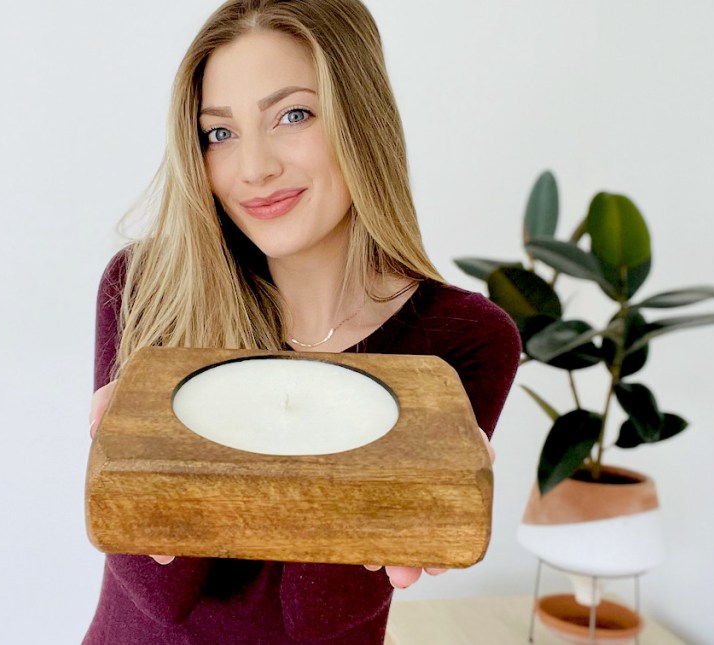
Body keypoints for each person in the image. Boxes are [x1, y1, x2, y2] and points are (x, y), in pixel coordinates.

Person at [82, 1, 521, 643]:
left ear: (360, 120)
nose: (253, 168)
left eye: (292, 115)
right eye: (219, 133)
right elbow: (162, 599)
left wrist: (388, 471)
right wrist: (150, 445)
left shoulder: (463, 342)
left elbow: (318, 620)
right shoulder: (149, 287)